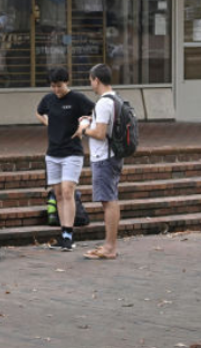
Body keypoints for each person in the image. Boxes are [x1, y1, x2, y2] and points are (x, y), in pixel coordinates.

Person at [35, 67, 95, 251]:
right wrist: (47, 121)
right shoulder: (48, 99)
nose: (56, 90)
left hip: (72, 152)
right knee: (58, 194)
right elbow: (39, 111)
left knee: (68, 191)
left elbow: (93, 112)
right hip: (53, 153)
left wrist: (83, 126)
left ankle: (69, 234)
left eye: (59, 86)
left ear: (66, 83)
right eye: (53, 86)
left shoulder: (77, 99)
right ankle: (63, 233)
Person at [80, 63, 122, 260]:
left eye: (91, 80)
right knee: (109, 199)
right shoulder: (114, 99)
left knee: (109, 201)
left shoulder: (104, 103)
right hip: (111, 156)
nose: (91, 84)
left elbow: (100, 133)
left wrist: (83, 129)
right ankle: (109, 244)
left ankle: (109, 247)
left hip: (104, 158)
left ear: (96, 79)